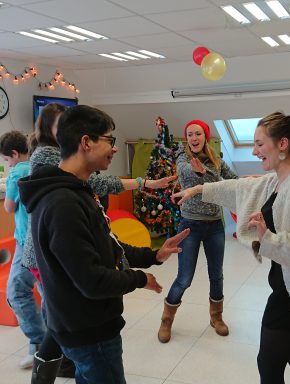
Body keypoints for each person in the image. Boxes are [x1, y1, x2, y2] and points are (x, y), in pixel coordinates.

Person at [19, 105, 190, 384]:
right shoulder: (63, 204)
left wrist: (153, 255)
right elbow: (91, 280)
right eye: (109, 140)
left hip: (90, 325)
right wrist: (139, 278)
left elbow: (106, 242)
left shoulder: (77, 191)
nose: (114, 149)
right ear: (86, 142)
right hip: (89, 329)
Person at [172, 111, 290, 384]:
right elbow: (240, 187)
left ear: (282, 144)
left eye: (260, 144)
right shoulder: (277, 180)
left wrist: (270, 239)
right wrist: (197, 190)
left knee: (268, 363)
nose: (254, 150)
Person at [158, 119, 238, 343]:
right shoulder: (183, 159)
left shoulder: (218, 161)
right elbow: (190, 175)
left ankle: (216, 317)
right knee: (184, 278)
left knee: (217, 275)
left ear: (205, 137)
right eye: (190, 134)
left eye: (198, 134)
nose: (193, 138)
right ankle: (166, 319)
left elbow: (232, 182)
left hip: (214, 226)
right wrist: (205, 174)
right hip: (190, 226)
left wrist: (209, 173)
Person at [0, 131, 45, 369]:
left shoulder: (18, 171)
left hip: (26, 242)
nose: (8, 164)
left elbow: (9, 207)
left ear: (14, 154)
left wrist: (8, 180)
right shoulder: (40, 166)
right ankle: (50, 346)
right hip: (41, 240)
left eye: (6, 159)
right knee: (48, 294)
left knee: (17, 292)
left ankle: (39, 343)